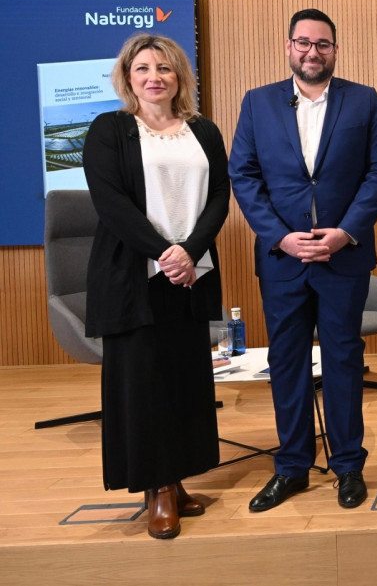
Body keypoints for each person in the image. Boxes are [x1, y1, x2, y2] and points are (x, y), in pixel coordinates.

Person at [229, 8, 377, 512]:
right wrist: (280, 237)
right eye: (303, 43)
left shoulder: (363, 100)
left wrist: (346, 233)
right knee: (287, 363)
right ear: (288, 47)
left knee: (344, 361)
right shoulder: (257, 103)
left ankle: (348, 466)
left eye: (322, 44)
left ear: (335, 51)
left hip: (342, 258)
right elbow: (244, 174)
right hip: (284, 261)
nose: (312, 52)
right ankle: (292, 467)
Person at [82, 33, 229, 539]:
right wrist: (166, 253)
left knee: (186, 380)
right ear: (127, 76)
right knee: (143, 384)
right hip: (134, 275)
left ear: (179, 77)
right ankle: (157, 488)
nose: (154, 77)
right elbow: (111, 203)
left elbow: (219, 199)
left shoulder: (203, 131)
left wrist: (189, 252)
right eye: (143, 68)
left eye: (164, 68)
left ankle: (179, 479)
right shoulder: (109, 130)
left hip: (190, 274)